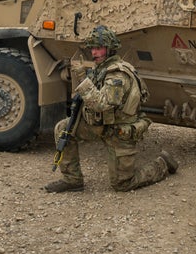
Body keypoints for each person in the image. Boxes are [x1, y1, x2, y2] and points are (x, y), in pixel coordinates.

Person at [45, 25, 178, 193]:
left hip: (118, 132)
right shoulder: (101, 68)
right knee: (63, 129)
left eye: (99, 48)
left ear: (109, 49)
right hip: (100, 126)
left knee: (123, 184)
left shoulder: (117, 74)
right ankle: (72, 179)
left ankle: (163, 164)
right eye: (92, 48)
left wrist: (83, 80)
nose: (94, 52)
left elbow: (101, 104)